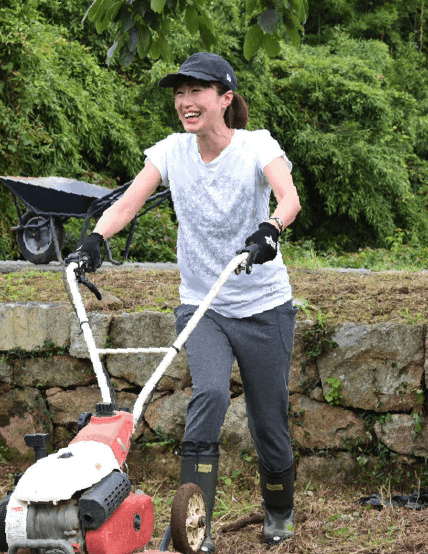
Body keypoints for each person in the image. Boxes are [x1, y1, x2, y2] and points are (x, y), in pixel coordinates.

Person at [66, 52, 301, 550]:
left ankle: (279, 510)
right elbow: (129, 200)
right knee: (210, 395)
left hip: (264, 304)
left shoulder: (256, 146)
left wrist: (270, 228)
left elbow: (289, 198)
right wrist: (96, 240)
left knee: (269, 418)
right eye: (179, 93)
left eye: (196, 92)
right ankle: (195, 530)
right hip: (203, 303)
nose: (185, 102)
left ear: (224, 98)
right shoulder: (171, 152)